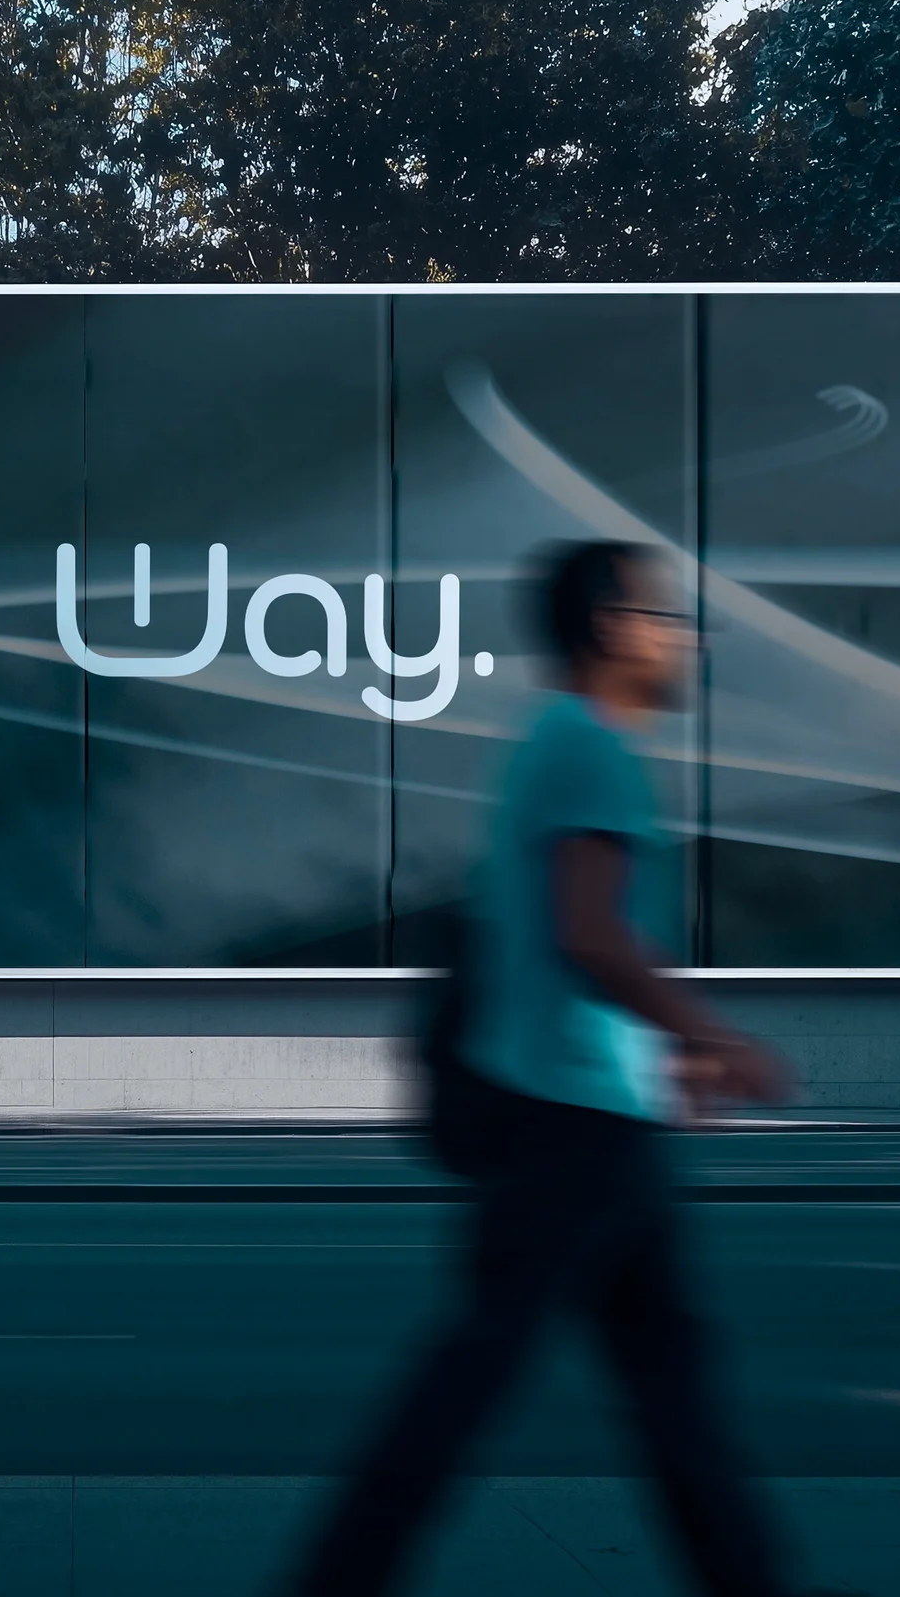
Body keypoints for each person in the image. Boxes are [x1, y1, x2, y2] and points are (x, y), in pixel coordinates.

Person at [290, 539, 799, 1597]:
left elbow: (574, 937)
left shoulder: (554, 740)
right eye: (667, 616)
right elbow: (591, 934)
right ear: (612, 627)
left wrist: (667, 1046)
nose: (686, 638)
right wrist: (714, 1037)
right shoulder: (589, 748)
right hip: (575, 1123)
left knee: (663, 1380)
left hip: (587, 1111)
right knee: (479, 1378)